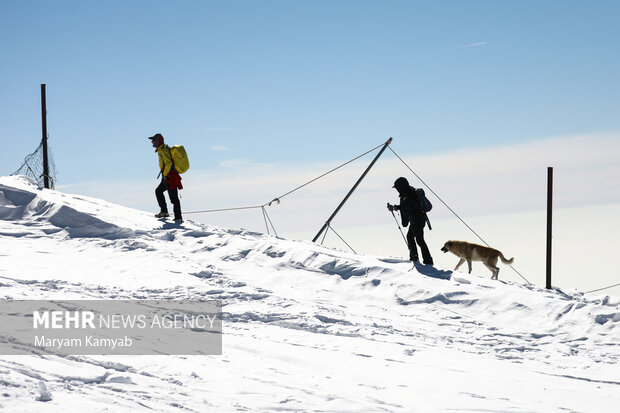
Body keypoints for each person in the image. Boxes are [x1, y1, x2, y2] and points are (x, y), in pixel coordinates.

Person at [387, 177, 433, 265]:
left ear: (401, 186)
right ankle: (418, 258)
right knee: (413, 238)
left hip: (417, 220)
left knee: (418, 239)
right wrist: (395, 207)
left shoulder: (407, 194)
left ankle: (422, 260)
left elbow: (407, 207)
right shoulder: (409, 192)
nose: (397, 189)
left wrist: (396, 208)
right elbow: (406, 206)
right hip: (419, 219)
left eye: (397, 187)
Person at [148, 133, 183, 222]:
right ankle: (164, 211)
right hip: (167, 176)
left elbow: (168, 163)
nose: (152, 142)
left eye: (153, 140)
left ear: (158, 141)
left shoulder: (163, 150)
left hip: (169, 176)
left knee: (173, 198)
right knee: (159, 191)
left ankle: (178, 217)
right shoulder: (161, 150)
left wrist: (165, 174)